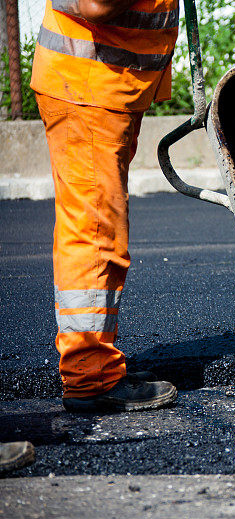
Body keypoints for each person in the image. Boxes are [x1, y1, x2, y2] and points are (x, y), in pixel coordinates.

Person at [30, 0, 178, 412]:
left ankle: (90, 365)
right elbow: (97, 5)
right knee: (95, 236)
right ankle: (90, 376)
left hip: (102, 86)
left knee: (92, 228)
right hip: (90, 86)